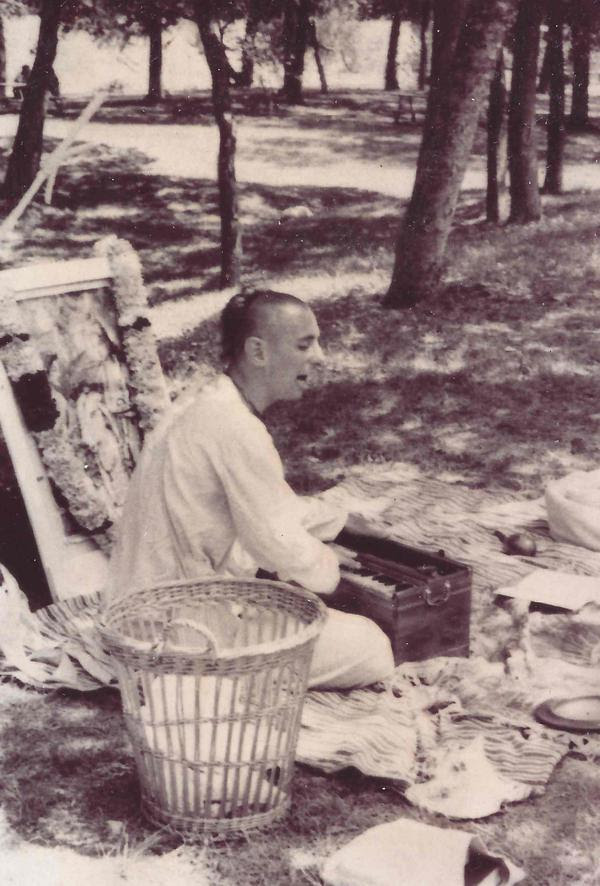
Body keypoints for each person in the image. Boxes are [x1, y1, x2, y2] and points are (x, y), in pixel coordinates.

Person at [107, 289, 394, 689]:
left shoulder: (202, 401)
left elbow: (265, 505)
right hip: (180, 636)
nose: (319, 357)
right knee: (373, 646)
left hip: (140, 614)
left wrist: (338, 519)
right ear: (258, 351)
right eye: (304, 344)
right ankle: (225, 683)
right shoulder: (235, 427)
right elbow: (276, 541)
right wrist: (332, 571)